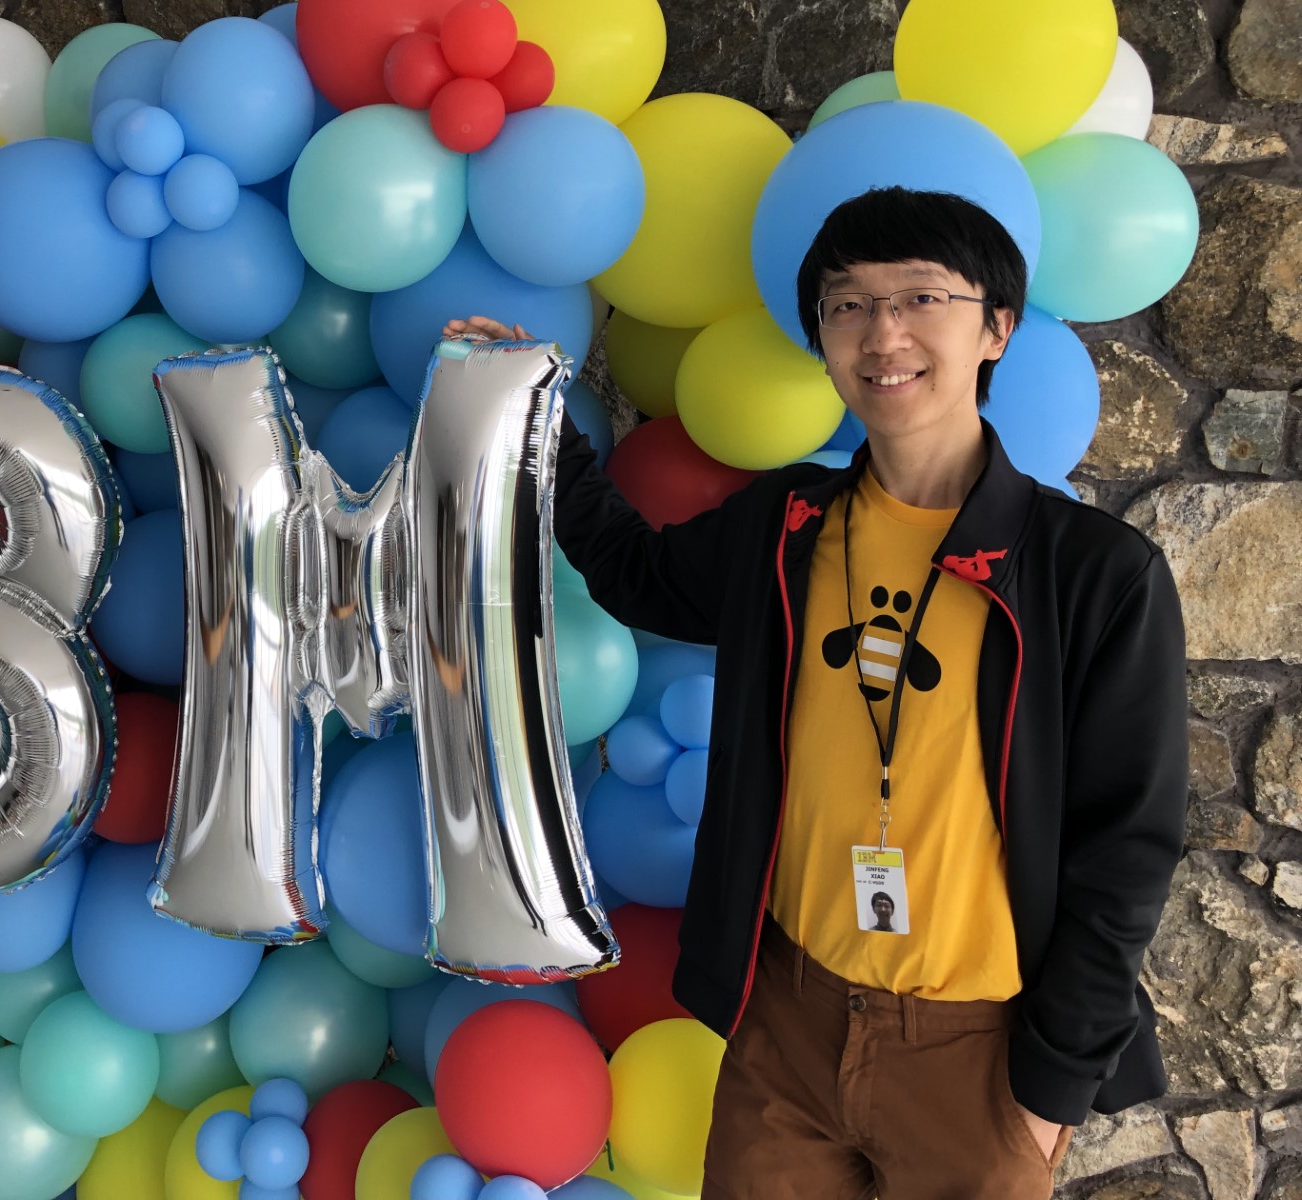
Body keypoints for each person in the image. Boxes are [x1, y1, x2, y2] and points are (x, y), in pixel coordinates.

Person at [444, 187, 1186, 1200]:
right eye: (848, 304)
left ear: (996, 329)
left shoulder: (1096, 573)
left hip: (978, 1049)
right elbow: (634, 572)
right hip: (788, 1021)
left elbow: (1128, 847)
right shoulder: (784, 524)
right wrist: (540, 416)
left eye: (922, 297)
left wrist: (1049, 1092)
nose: (885, 332)